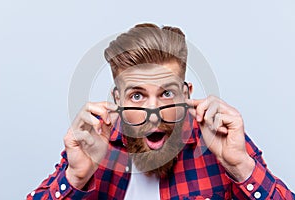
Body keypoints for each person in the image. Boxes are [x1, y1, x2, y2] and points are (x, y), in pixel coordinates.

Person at [27, 23, 294, 200]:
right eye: (137, 95)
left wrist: (241, 166)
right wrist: (76, 177)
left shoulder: (221, 141)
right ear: (116, 100)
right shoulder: (93, 144)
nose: (153, 112)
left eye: (166, 93)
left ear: (186, 94)